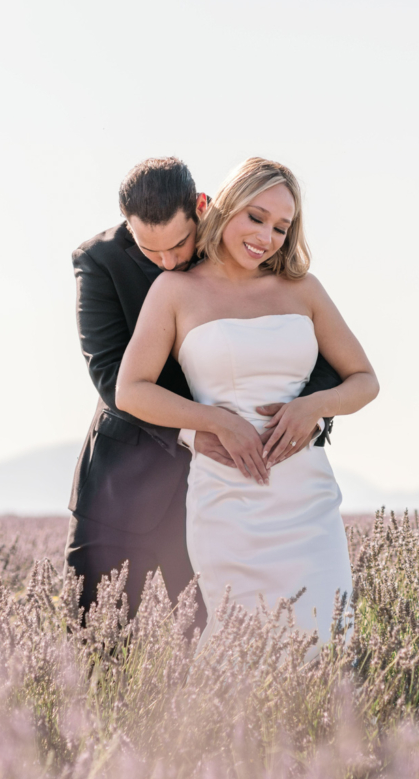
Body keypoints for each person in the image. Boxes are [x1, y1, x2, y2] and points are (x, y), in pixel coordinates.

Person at [115, 158, 379, 644]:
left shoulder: (304, 290)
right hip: (227, 501)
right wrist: (214, 421)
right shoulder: (175, 290)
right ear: (225, 206)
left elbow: (364, 381)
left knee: (325, 643)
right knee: (242, 649)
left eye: (282, 226)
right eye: (256, 217)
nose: (267, 236)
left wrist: (312, 407)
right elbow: (131, 390)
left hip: (308, 502)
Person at [66, 157, 343, 619]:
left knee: (212, 655)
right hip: (123, 485)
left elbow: (310, 347)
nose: (169, 263)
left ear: (201, 207)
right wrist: (196, 431)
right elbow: (114, 378)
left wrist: (305, 411)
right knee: (94, 648)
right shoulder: (98, 261)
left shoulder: (246, 242)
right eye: (150, 252)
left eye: (179, 244)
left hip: (229, 495)